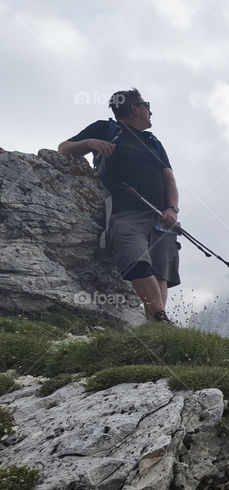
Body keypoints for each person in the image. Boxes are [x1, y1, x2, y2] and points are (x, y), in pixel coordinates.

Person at [58, 88, 180, 323]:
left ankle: (156, 325)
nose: (150, 110)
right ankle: (160, 320)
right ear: (134, 108)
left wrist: (172, 209)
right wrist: (90, 142)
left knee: (160, 269)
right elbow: (64, 148)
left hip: (162, 216)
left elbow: (169, 178)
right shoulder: (106, 129)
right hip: (126, 211)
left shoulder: (153, 142)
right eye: (147, 105)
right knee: (136, 259)